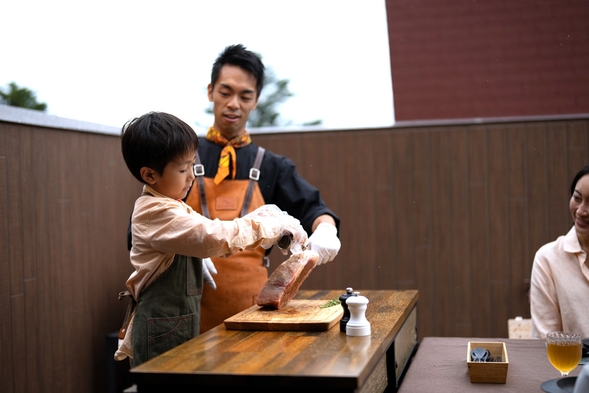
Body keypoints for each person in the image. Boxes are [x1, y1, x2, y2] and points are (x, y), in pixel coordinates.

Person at [114, 111, 307, 366]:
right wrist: (265, 226)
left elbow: (203, 228)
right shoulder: (155, 211)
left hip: (179, 325)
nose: (191, 176)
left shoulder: (174, 204)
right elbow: (214, 236)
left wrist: (265, 213)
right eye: (183, 169)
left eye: (192, 165)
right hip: (159, 331)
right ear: (149, 175)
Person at [186, 44, 341, 332]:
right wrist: (181, 252)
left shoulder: (271, 167)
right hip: (187, 315)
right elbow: (145, 228)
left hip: (253, 315)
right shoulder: (182, 160)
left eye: (245, 95)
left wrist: (326, 229)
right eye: (225, 92)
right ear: (210, 92)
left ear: (255, 100)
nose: (234, 103)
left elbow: (315, 210)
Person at [530, 165, 589, 338]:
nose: (581, 211)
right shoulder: (548, 259)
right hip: (567, 365)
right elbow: (546, 340)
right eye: (577, 198)